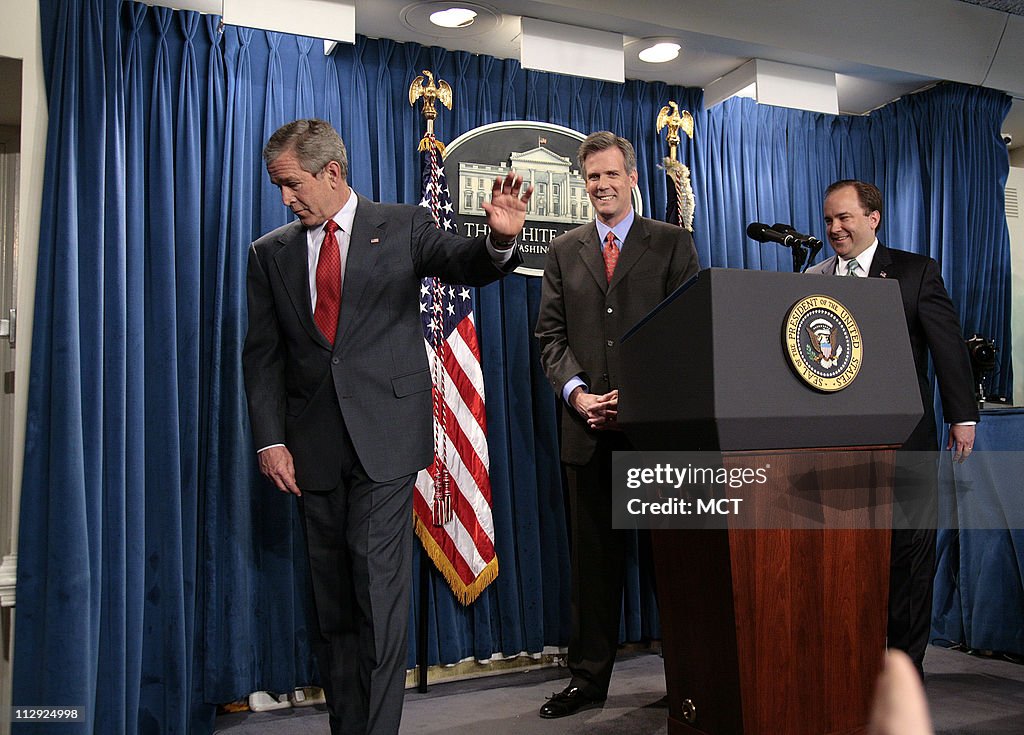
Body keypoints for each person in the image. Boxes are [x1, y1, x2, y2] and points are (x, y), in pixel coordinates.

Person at [242, 119, 532, 735]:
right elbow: (262, 356)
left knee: (376, 595)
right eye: (279, 188)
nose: (286, 199)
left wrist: (499, 242)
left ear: (332, 174)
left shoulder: (399, 226)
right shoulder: (270, 253)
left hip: (386, 443)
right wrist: (270, 439)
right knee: (333, 606)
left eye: (292, 185)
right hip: (311, 451)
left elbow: (463, 261)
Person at [534, 131, 699, 718]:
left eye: (611, 175)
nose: (601, 186)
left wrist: (643, 396)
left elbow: (686, 334)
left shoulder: (673, 244)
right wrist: (579, 395)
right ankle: (588, 680)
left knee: (672, 568)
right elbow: (549, 337)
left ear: (634, 178)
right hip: (588, 435)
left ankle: (691, 677)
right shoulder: (563, 250)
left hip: (657, 438)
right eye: (592, 178)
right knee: (594, 568)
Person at [807, 179, 978, 677]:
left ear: (873, 218)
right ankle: (852, 661)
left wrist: (962, 417)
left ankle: (905, 667)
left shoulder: (914, 271)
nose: (835, 229)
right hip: (837, 446)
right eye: (829, 221)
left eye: (845, 218)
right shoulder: (814, 276)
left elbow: (947, 348)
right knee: (847, 557)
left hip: (909, 440)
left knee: (909, 556)